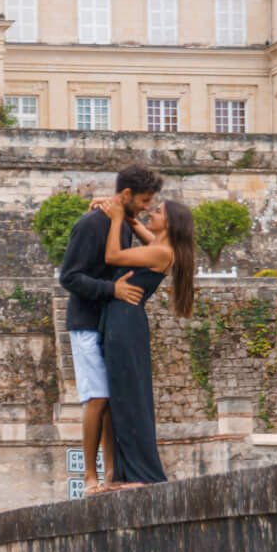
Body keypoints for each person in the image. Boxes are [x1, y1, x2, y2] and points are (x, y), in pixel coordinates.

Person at [57, 165, 163, 493]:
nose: (147, 207)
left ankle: (112, 474)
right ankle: (90, 476)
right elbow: (69, 277)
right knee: (97, 397)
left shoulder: (121, 224)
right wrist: (111, 291)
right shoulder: (92, 223)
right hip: (87, 323)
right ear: (127, 194)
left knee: (110, 400)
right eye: (144, 200)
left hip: (107, 324)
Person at [90, 195, 196, 486]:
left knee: (127, 397)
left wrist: (114, 220)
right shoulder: (160, 246)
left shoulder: (161, 252)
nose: (151, 212)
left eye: (158, 211)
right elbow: (137, 224)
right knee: (121, 395)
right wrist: (117, 208)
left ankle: (137, 472)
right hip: (122, 321)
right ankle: (121, 473)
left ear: (170, 223)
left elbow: (112, 256)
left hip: (124, 324)